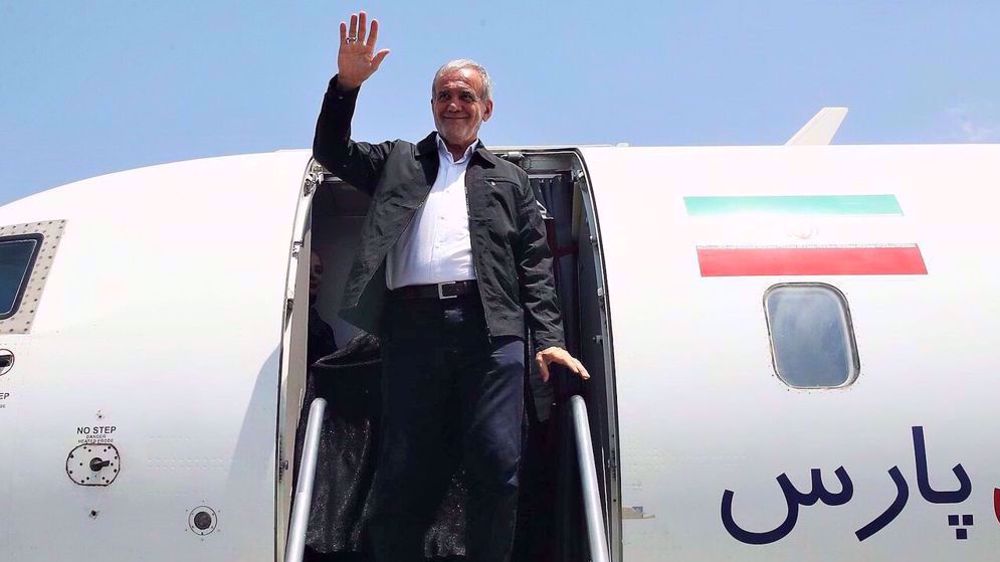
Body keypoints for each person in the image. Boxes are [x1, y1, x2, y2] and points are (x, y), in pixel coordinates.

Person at [312, 11, 589, 562]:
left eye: (465, 95)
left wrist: (549, 336)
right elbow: (331, 151)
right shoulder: (397, 161)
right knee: (403, 469)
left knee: (496, 461)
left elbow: (533, 263)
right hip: (412, 329)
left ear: (486, 109)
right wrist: (347, 85)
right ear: (432, 106)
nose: (454, 104)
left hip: (492, 333)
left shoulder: (508, 179)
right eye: (444, 95)